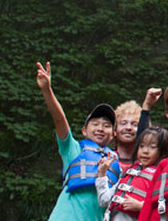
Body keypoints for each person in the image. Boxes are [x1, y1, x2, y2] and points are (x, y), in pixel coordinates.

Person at [35, 61, 121, 221]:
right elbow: (60, 120)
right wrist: (47, 90)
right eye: (95, 124)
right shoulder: (73, 150)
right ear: (84, 131)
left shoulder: (118, 164)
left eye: (106, 125)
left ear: (114, 133)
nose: (100, 129)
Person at [97, 126, 168, 221]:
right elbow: (104, 200)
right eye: (142, 146)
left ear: (163, 152)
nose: (145, 151)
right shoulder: (130, 173)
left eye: (152, 147)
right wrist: (101, 174)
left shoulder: (163, 178)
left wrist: (141, 206)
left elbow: (166, 212)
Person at [115, 100, 143, 170]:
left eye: (134, 124)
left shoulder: (146, 162)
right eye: (123, 123)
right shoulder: (106, 158)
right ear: (115, 128)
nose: (128, 128)